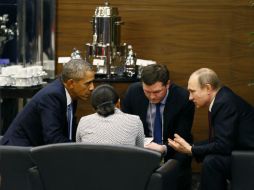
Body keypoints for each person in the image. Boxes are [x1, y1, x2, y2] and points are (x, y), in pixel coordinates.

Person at [168, 68, 254, 190]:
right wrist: (192, 147)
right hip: (240, 149)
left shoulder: (223, 103)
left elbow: (223, 145)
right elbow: (221, 140)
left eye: (193, 91)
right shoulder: (222, 97)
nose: (190, 98)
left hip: (248, 155)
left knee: (211, 162)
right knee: (208, 158)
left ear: (208, 88)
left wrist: (192, 150)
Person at [121, 64, 195, 189]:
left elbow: (182, 136)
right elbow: (126, 128)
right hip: (141, 150)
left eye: (156, 92)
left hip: (172, 151)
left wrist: (163, 148)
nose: (152, 97)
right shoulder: (133, 92)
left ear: (167, 84)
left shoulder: (183, 98)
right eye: (147, 91)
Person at [0, 59, 95, 146]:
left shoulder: (71, 94)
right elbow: (53, 138)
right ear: (71, 84)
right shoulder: (52, 96)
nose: (92, 88)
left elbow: (66, 132)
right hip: (17, 152)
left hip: (34, 151)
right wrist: (79, 149)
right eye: (87, 83)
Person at [76, 84, 144, 147]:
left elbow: (79, 149)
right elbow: (140, 150)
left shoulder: (83, 121)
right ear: (118, 102)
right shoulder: (135, 121)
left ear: (93, 106)